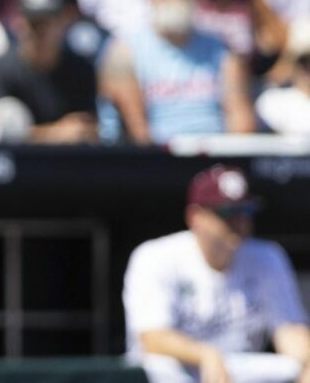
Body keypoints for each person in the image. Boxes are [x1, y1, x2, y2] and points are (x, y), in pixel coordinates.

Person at [123, 164, 310, 383]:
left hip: (237, 372)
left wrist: (307, 363)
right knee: (163, 367)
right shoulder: (155, 256)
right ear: (195, 217)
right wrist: (205, 355)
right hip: (175, 373)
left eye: (245, 211)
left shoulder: (268, 257)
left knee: (293, 367)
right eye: (227, 213)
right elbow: (152, 338)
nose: (239, 223)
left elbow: (289, 332)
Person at [100, 0, 256, 144]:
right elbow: (137, 130)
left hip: (217, 155)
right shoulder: (124, 52)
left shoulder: (220, 49)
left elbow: (240, 116)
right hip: (160, 160)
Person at [0, 0, 98, 144]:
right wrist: (54, 134)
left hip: (65, 166)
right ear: (19, 22)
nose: (39, 31)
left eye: (47, 21)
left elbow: (86, 130)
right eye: (33, 21)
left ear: (65, 20)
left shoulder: (80, 70)